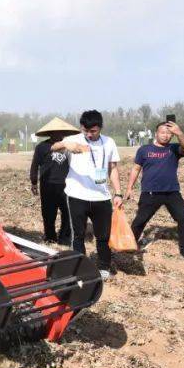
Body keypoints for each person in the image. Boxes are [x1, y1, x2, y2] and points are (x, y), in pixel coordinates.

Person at [53, 110, 123, 280]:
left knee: (103, 236)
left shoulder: (109, 142)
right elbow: (53, 147)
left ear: (100, 128)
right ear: (81, 127)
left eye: (93, 131)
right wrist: (65, 145)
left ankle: (104, 267)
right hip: (77, 195)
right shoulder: (74, 140)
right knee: (78, 234)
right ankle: (80, 268)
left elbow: (112, 169)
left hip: (102, 197)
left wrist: (118, 193)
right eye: (85, 130)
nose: (89, 135)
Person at [126, 121, 184, 259]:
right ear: (156, 133)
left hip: (172, 192)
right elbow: (136, 169)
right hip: (150, 192)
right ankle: (129, 246)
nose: (165, 136)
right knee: (140, 221)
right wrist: (129, 188)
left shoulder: (174, 148)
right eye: (162, 132)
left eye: (169, 133)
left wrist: (179, 133)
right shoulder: (144, 150)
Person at [29, 117, 77, 245]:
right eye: (54, 132)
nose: (58, 134)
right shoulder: (42, 147)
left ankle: (64, 237)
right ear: (50, 133)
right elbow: (35, 165)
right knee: (48, 213)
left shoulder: (70, 147)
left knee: (67, 212)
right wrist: (34, 182)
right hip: (47, 184)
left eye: (60, 132)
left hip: (67, 185)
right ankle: (50, 236)